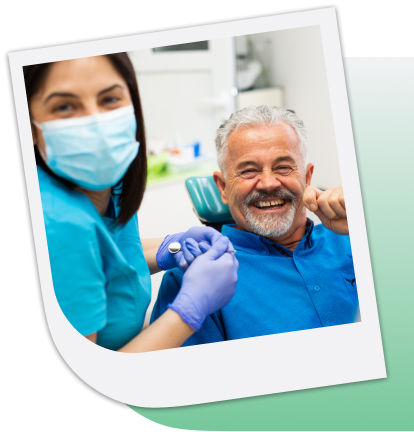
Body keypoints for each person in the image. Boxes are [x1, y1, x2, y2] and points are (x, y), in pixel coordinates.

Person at [25, 53, 238, 352]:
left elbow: (104, 255)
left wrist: (169, 246)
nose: (95, 122)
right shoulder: (54, 224)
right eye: (65, 106)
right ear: (29, 124)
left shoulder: (111, 180)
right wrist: (191, 309)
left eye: (109, 99)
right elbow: (91, 379)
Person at [151, 105, 359, 346]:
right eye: (249, 171)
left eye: (283, 167)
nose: (268, 183)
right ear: (222, 187)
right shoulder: (195, 280)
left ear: (307, 177)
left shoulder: (355, 236)